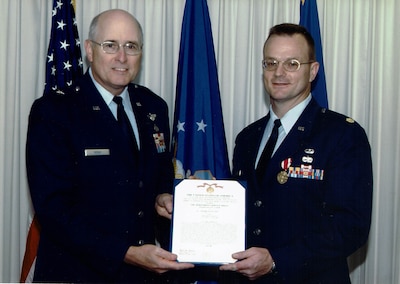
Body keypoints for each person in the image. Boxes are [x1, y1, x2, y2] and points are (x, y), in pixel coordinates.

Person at [26, 9, 193, 283]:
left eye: (131, 46)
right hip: (77, 273)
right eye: (111, 45)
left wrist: (162, 197)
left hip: (142, 274)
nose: (122, 57)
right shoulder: (55, 111)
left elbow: (159, 174)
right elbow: (54, 209)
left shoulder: (153, 107)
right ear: (90, 50)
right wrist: (125, 253)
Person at [219, 23, 373, 283]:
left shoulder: (343, 135)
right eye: (271, 63)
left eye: (292, 63)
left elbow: (350, 228)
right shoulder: (247, 137)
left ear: (312, 71)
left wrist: (276, 260)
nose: (279, 72)